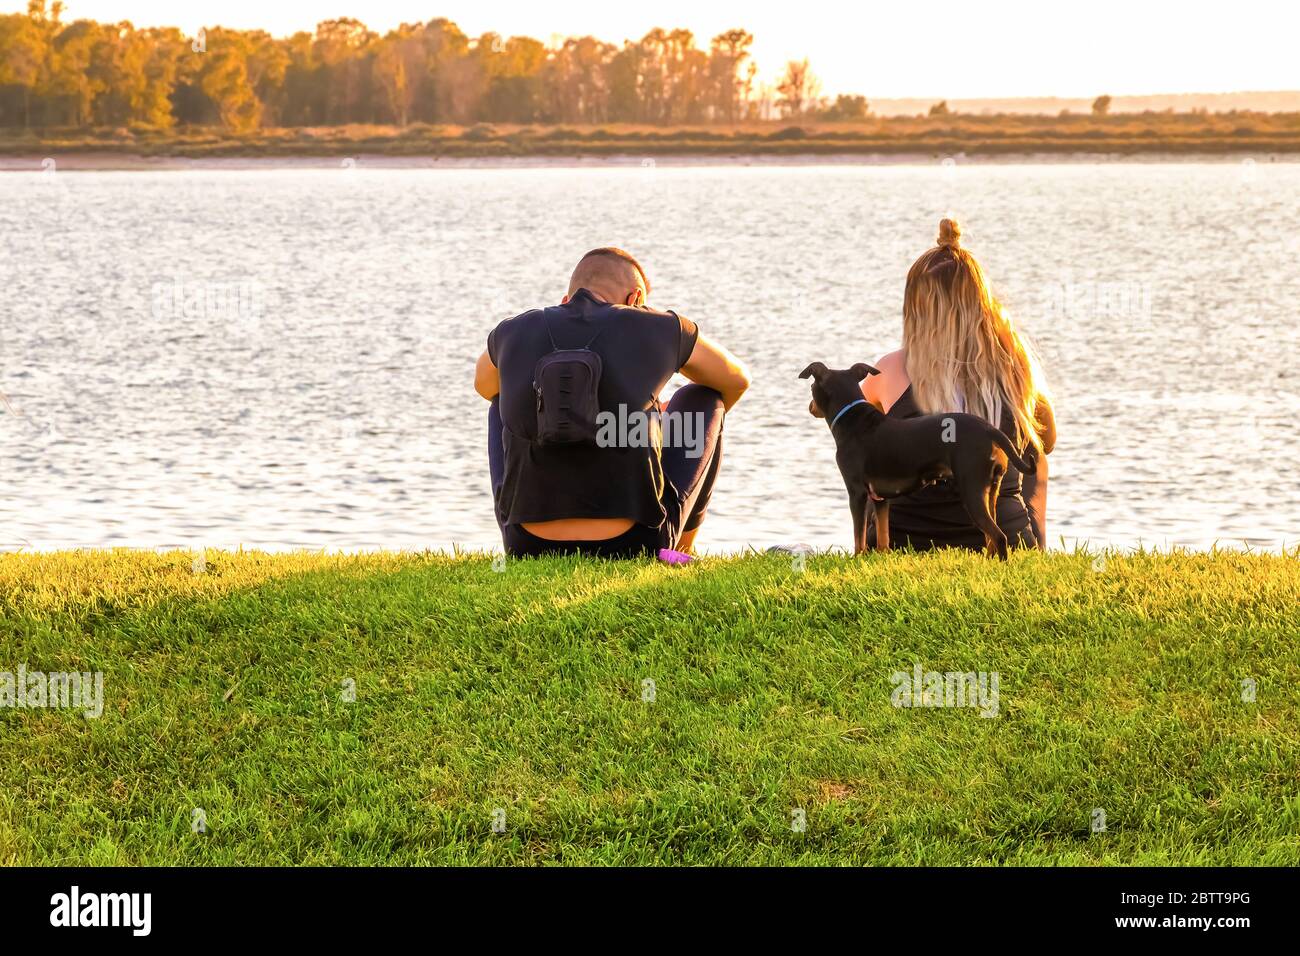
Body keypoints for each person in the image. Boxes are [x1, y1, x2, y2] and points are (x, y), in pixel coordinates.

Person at [474, 247, 750, 558]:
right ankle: (683, 551)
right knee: (704, 396)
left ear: (566, 299)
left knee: (500, 398)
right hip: (636, 541)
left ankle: (526, 525)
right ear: (635, 300)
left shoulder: (512, 329)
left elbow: (484, 386)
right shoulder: (659, 325)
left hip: (525, 543)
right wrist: (647, 419)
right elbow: (736, 380)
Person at [862, 219, 1057, 551]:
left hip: (907, 541)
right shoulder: (1015, 368)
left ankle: (871, 547)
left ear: (914, 309)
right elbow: (1047, 440)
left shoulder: (889, 370)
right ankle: (1033, 545)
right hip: (1006, 535)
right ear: (981, 305)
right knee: (1034, 455)